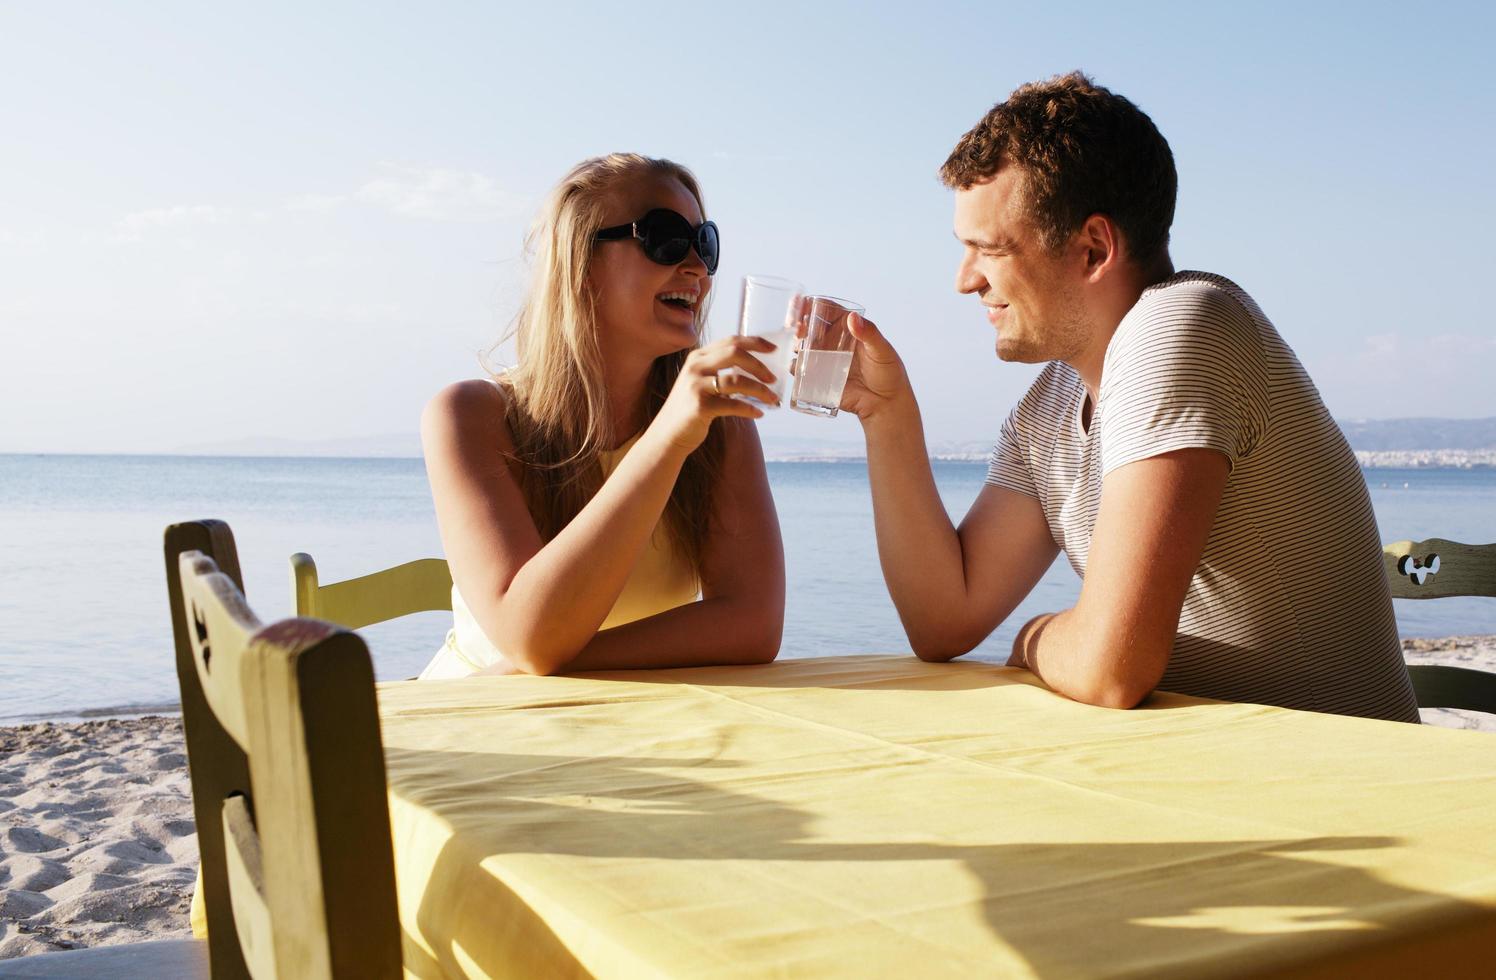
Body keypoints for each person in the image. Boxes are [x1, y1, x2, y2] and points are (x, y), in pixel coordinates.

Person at [840, 73, 1419, 722]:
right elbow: (944, 620)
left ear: (1093, 249)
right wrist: (885, 415)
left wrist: (1031, 638)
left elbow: (1111, 668)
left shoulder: (1184, 326)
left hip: (1348, 785)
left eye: (989, 250)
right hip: (1224, 777)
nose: (965, 280)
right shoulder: (1052, 405)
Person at [417, 153, 785, 678]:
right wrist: (668, 439)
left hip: (630, 717)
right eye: (665, 238)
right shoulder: (468, 416)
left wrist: (547, 663)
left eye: (704, 242)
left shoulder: (717, 424)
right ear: (579, 264)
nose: (698, 268)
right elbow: (531, 633)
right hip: (486, 728)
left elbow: (754, 624)